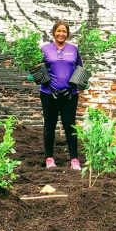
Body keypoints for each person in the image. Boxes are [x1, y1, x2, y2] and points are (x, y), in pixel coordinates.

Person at [40, 20, 83, 169]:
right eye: (59, 31)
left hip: (69, 95)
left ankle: (74, 160)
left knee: (70, 125)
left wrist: (71, 87)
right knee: (49, 125)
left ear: (68, 34)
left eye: (64, 31)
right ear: (53, 32)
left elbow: (80, 69)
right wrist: (50, 88)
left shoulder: (74, 49)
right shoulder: (45, 49)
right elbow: (38, 70)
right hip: (48, 94)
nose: (61, 34)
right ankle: (49, 158)